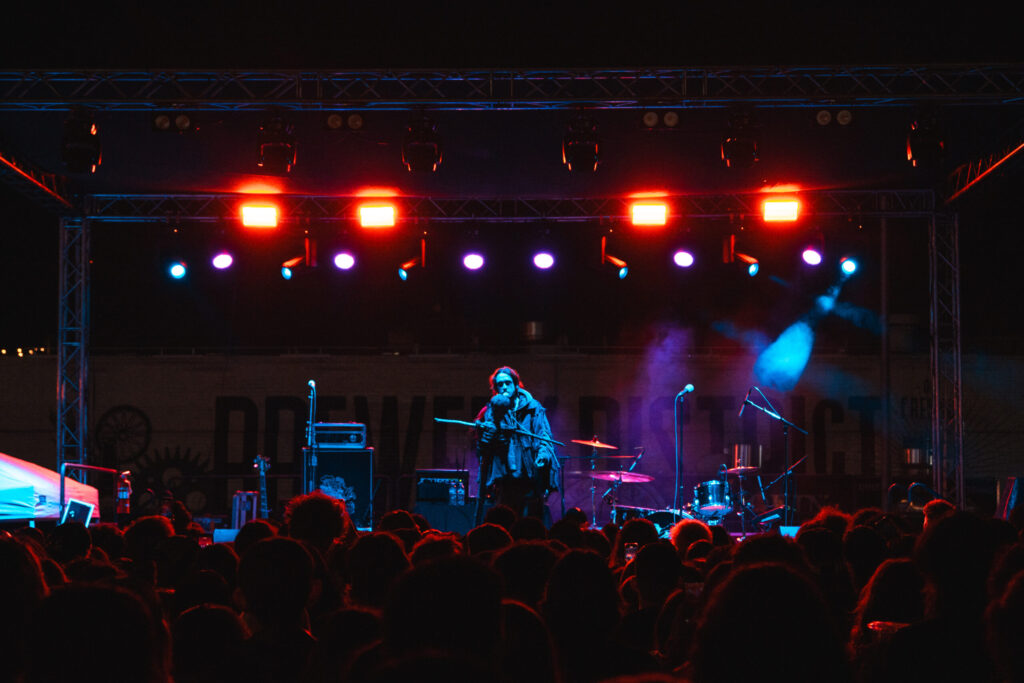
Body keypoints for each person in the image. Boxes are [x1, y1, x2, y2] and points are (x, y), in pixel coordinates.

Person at [474, 366, 560, 522]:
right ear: (495, 387)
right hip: (504, 477)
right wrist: (486, 433)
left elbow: (544, 435)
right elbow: (483, 446)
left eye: (507, 383)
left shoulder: (533, 407)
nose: (504, 387)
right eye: (500, 384)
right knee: (506, 520)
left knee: (531, 522)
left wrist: (543, 455)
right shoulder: (491, 411)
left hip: (530, 474)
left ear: (515, 384)